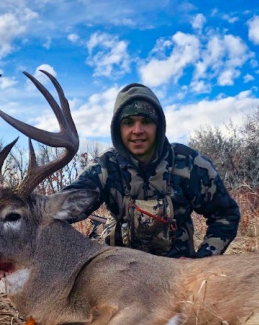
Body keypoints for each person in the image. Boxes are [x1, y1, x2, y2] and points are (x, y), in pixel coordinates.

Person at [63, 82, 240, 258]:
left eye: (146, 121)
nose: (137, 130)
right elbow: (65, 206)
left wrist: (203, 260)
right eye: (128, 122)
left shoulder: (189, 163)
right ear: (118, 128)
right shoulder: (105, 166)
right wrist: (38, 206)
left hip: (178, 271)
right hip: (119, 271)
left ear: (158, 126)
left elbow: (226, 215)